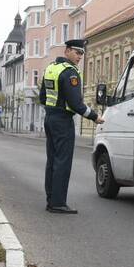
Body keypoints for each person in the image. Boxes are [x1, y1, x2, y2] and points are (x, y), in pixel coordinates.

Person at [41, 39, 104, 214]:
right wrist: (94, 117)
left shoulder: (51, 68)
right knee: (63, 162)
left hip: (50, 117)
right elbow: (76, 104)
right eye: (77, 53)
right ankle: (58, 203)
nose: (79, 57)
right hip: (62, 121)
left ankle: (51, 200)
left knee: (52, 160)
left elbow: (42, 97)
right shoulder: (70, 73)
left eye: (82, 54)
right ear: (67, 51)